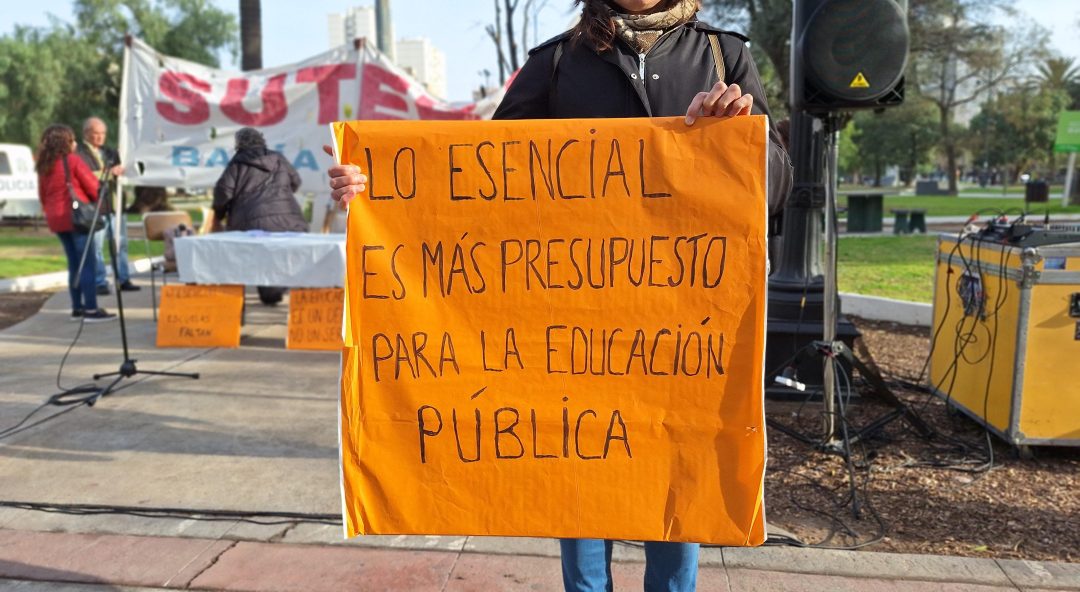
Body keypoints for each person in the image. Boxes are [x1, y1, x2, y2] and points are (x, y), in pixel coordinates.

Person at [325, 1, 792, 589]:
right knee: (580, 470)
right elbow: (471, 178)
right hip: (574, 324)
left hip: (679, 326)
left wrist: (738, 139)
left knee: (679, 472)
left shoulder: (724, 56)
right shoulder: (554, 64)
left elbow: (776, 185)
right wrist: (375, 185)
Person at [213, 127, 308, 305]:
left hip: (249, 222)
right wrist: (282, 194)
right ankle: (274, 291)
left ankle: (270, 293)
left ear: (238, 144)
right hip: (288, 220)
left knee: (256, 258)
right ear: (261, 140)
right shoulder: (278, 158)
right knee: (281, 255)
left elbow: (223, 192)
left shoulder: (237, 163)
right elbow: (296, 181)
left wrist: (219, 214)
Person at [36, 124, 117, 323]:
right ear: (65, 143)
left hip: (56, 218)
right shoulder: (72, 161)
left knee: (74, 263)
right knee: (87, 263)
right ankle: (91, 309)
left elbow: (42, 194)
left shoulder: (44, 164)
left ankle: (77, 308)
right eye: (72, 140)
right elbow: (92, 186)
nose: (75, 143)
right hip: (77, 217)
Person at [77, 117, 139, 295]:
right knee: (96, 248)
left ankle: (123, 279)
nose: (100, 137)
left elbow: (123, 170)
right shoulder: (79, 153)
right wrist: (108, 173)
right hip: (95, 207)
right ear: (86, 133)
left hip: (115, 206)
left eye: (103, 133)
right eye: (96, 133)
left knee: (120, 244)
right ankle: (99, 282)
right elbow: (83, 175)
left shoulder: (110, 152)